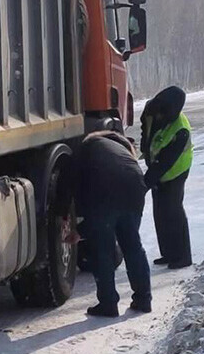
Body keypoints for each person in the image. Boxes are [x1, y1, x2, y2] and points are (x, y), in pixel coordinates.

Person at [61, 131, 152, 317]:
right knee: (133, 246)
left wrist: (63, 215)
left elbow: (66, 183)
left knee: (102, 250)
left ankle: (108, 304)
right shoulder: (120, 150)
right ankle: (143, 299)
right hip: (135, 188)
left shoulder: (85, 149)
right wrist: (82, 230)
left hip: (104, 193)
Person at [141, 86, 193, 270]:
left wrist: (145, 184)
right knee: (160, 212)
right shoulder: (151, 109)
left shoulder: (180, 130)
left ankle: (183, 256)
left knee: (173, 211)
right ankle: (168, 253)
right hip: (156, 166)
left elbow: (165, 162)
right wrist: (145, 151)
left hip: (176, 170)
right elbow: (145, 131)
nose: (161, 117)